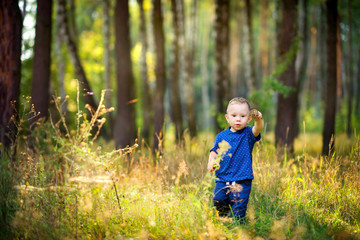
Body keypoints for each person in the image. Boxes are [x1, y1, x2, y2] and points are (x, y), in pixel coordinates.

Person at [207, 97, 263, 223]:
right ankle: (224, 221)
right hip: (222, 178)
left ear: (249, 119)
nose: (238, 119)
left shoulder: (248, 133)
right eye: (234, 115)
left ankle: (238, 225)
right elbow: (214, 151)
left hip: (242, 178)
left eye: (242, 116)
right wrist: (212, 161)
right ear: (227, 118)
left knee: (239, 207)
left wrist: (258, 120)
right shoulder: (221, 136)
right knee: (218, 200)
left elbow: (257, 129)